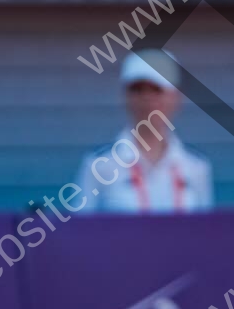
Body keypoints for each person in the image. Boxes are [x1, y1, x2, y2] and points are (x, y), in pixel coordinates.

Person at [73, 49, 214, 213]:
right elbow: (81, 225)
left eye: (156, 89)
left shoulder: (196, 165)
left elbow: (206, 226)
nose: (147, 98)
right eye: (137, 90)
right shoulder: (100, 164)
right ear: (125, 96)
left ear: (176, 97)